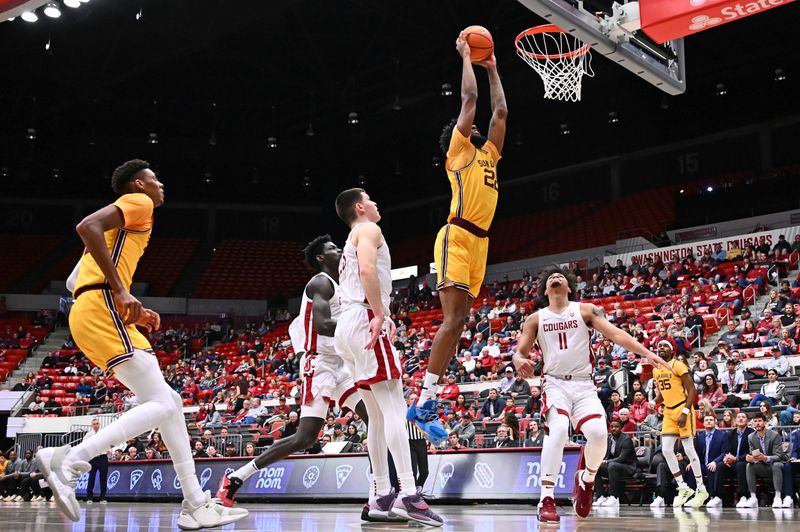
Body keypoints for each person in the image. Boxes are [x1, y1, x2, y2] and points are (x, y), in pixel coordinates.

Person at [35, 159, 246, 528]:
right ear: (138, 184)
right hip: (100, 307)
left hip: (92, 309)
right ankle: (67, 459)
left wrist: (129, 301)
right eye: (155, 179)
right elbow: (86, 225)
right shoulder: (139, 202)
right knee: (162, 401)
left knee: (171, 402)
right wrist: (118, 290)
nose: (160, 184)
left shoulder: (119, 230)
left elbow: (72, 282)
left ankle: (196, 501)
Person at [216, 235, 374, 515]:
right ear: (320, 258)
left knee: (375, 421)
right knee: (305, 438)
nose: (339, 251)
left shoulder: (343, 285)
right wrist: (363, 322)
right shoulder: (320, 282)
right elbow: (324, 325)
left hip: (342, 363)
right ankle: (236, 477)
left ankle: (378, 493)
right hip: (320, 364)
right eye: (333, 249)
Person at [512, 267, 670, 522]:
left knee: (598, 435)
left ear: (569, 288)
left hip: (584, 384)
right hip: (554, 383)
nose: (555, 277)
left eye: (560, 276)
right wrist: (518, 359)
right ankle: (546, 498)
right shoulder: (535, 319)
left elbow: (615, 334)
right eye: (550, 277)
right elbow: (519, 351)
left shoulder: (585, 310)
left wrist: (647, 353)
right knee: (560, 429)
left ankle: (586, 479)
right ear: (544, 290)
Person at [411, 31, 508, 438]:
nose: (475, 127)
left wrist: (494, 70)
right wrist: (467, 57)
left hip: (481, 242)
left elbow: (499, 112)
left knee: (462, 321)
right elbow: (468, 101)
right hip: (456, 236)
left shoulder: (489, 155)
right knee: (453, 320)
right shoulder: (459, 152)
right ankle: (424, 401)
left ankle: (426, 401)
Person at [332, 188, 442, 526]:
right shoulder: (368, 230)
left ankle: (380, 495)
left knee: (377, 417)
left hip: (346, 326)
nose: (378, 203)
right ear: (360, 207)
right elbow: (367, 270)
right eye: (372, 199)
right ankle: (408, 493)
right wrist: (380, 313)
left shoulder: (350, 240)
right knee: (393, 407)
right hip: (363, 318)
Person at [651, 340, 708, 508]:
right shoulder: (656, 370)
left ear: (672, 350)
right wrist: (654, 402)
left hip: (683, 409)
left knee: (689, 449)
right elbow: (663, 392)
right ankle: (683, 487)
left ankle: (701, 488)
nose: (660, 348)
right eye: (659, 346)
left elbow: (692, 390)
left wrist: (685, 411)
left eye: (664, 346)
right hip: (668, 411)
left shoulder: (678, 365)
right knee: (667, 449)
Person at [737, 412, 790, 508]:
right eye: (755, 421)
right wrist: (752, 458)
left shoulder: (774, 435)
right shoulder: (751, 437)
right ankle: (753, 498)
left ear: (765, 423)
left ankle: (777, 497)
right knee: (749, 465)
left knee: (776, 465)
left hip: (776, 464)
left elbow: (779, 456)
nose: (757, 423)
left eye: (760, 421)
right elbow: (753, 452)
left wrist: (765, 458)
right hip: (762, 465)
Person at [594, 419, 638, 506]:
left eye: (616, 427)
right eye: (612, 427)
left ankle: (614, 497)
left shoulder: (626, 440)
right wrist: (600, 462)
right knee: (596, 467)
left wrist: (606, 462)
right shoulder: (609, 439)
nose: (614, 429)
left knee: (612, 465)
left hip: (628, 467)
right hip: (614, 467)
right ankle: (601, 496)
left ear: (621, 428)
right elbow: (607, 455)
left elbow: (621, 458)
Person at [691, 415, 729, 508]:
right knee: (691, 469)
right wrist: (692, 462)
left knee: (711, 468)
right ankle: (695, 496)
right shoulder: (700, 437)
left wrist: (715, 461)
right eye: (706, 420)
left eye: (711, 420)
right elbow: (698, 453)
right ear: (703, 423)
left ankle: (714, 497)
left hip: (716, 463)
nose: (708, 421)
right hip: (704, 463)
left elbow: (725, 452)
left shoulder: (722, 435)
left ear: (715, 422)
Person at [722, 411, 755, 505]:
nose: (740, 418)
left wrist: (736, 459)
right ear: (735, 420)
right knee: (719, 466)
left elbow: (751, 452)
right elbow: (727, 450)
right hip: (732, 461)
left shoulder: (752, 433)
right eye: (738, 417)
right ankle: (717, 496)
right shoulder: (730, 433)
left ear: (747, 421)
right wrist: (726, 457)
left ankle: (743, 496)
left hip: (746, 461)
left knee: (740, 465)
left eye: (743, 417)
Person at [82, 418, 109, 504]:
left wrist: (109, 449)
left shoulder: (104, 433)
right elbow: (84, 445)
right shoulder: (88, 435)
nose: (96, 425)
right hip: (93, 458)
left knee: (103, 478)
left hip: (103, 457)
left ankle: (103, 498)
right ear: (91, 425)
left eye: (97, 423)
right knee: (91, 478)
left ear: (99, 424)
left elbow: (109, 442)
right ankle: (89, 497)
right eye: (94, 424)